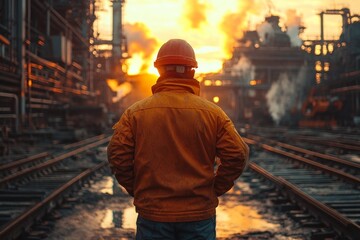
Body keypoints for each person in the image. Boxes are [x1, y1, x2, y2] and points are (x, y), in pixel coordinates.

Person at [107, 39, 249, 240]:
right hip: (198, 214)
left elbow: (116, 155)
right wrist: (214, 189)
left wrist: (138, 189)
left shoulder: (136, 113)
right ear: (192, 71)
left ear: (159, 71)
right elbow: (238, 154)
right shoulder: (213, 113)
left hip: (153, 214)